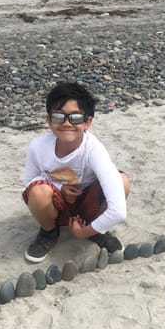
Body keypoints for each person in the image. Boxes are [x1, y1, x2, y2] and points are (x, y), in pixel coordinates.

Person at [22, 82, 130, 263]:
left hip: (88, 206)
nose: (66, 123)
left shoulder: (93, 149)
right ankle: (49, 232)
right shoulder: (37, 146)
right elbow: (27, 184)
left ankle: (96, 230)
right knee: (38, 191)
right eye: (58, 116)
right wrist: (59, 187)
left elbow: (118, 211)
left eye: (75, 118)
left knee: (122, 181)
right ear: (49, 120)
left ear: (87, 122)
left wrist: (84, 232)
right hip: (56, 206)